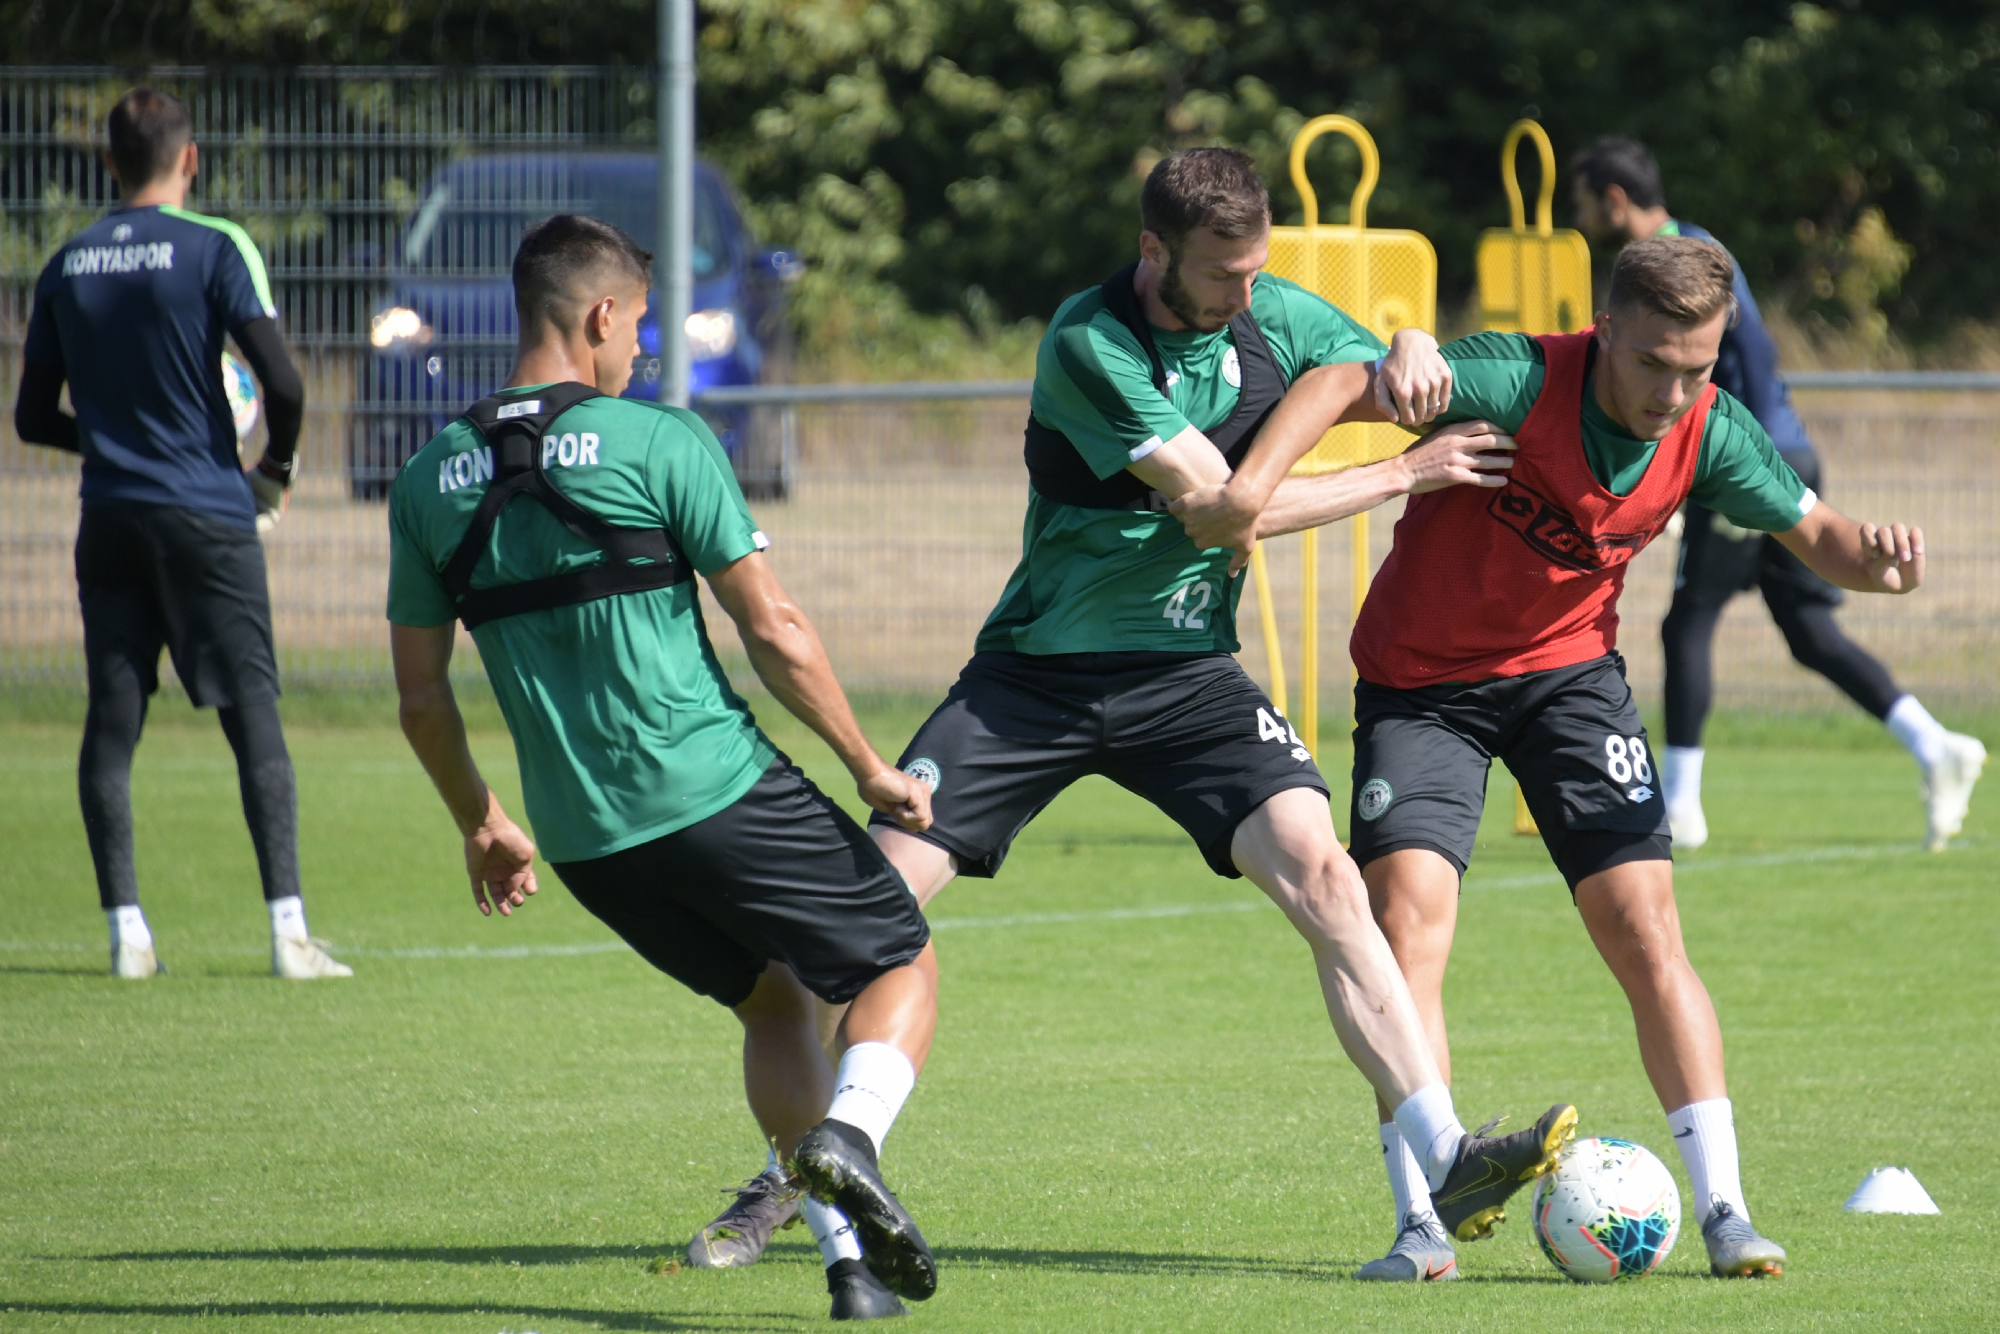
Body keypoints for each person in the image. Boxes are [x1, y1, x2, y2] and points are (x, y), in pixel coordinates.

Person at [691, 147, 1579, 1282]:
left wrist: (1410, 341)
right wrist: (1409, 472)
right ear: (1154, 250)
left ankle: (1445, 1156)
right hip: (1035, 680)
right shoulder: (1090, 342)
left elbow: (1374, 367)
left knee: (1328, 879)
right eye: (1220, 274)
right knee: (857, 918)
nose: (1244, 294)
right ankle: (789, 1172)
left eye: (1256, 270)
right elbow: (1220, 510)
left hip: (1188, 678)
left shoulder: (1269, 310)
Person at [1182, 235, 1934, 1281]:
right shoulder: (1513, 376)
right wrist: (1281, 457)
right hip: (1421, 687)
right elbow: (1344, 383)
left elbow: (1825, 538)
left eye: (1696, 368)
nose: (1671, 392)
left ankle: (1725, 1210)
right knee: (1404, 929)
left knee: (1645, 926)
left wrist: (1881, 566)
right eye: (1652, 362)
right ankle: (1423, 1224)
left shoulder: (1710, 429)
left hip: (1570, 683)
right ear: (1605, 329)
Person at [386, 213, 942, 1322]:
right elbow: (773, 628)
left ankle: (849, 1270)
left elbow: (421, 695)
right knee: (900, 963)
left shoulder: (428, 477)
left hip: (587, 843)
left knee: (771, 1002)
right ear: (601, 314)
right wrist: (868, 763)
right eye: (638, 324)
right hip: (714, 788)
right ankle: (848, 1137)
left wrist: (482, 821)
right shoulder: (661, 441)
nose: (640, 347)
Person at [11, 88, 346, 980]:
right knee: (251, 712)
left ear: (108, 164)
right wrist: (272, 472)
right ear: (190, 159)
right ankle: (289, 936)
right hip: (207, 513)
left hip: (110, 518)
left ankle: (127, 934)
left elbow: (32, 418)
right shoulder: (215, 247)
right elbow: (285, 384)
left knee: (112, 720)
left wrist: (115, 441)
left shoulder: (66, 263)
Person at [1571, 135, 1985, 852]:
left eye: (1580, 205)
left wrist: (1743, 467)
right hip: (1774, 451)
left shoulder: (1679, 261)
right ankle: (1935, 744)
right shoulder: (1687, 250)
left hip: (1751, 458)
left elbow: (1755, 352)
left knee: (1689, 619)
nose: (1576, 221)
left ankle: (1682, 808)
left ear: (1614, 200)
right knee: (1806, 628)